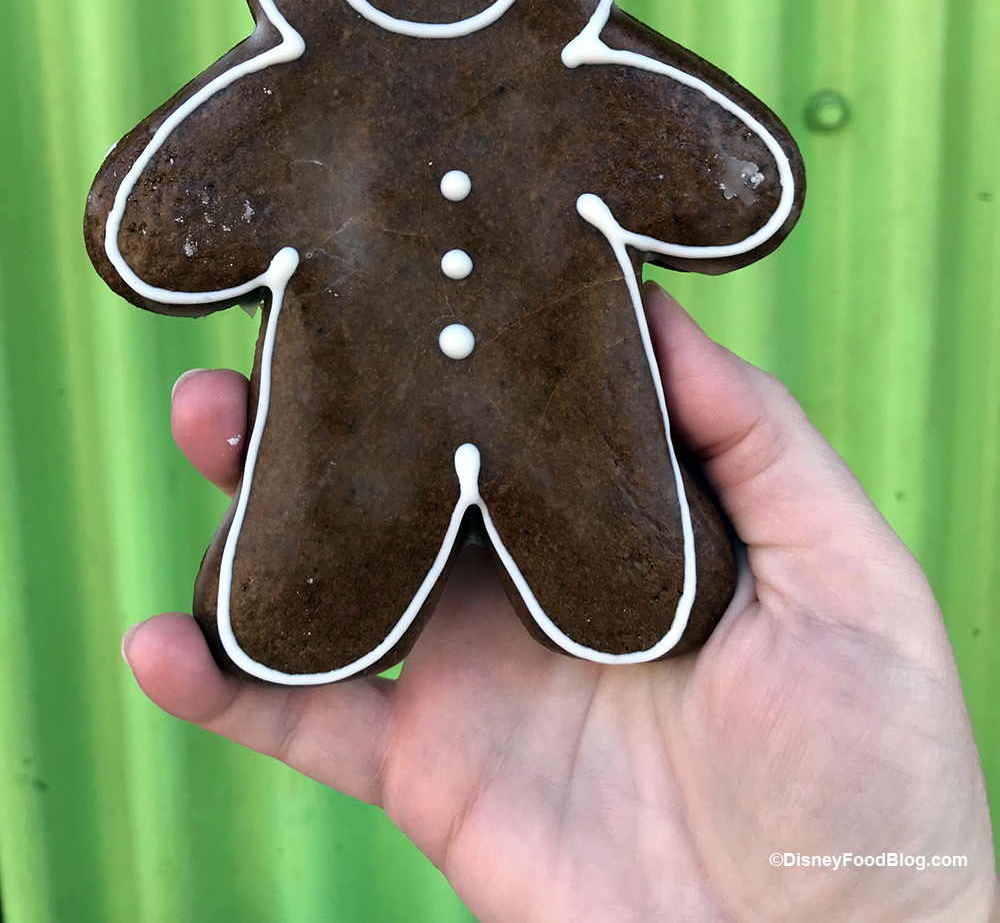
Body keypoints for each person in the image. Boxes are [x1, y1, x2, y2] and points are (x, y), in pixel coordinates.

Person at [121, 284, 998, 922]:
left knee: (638, 578)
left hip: (571, 423)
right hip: (356, 433)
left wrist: (883, 899)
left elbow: (737, 181)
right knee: (290, 596)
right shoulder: (298, 109)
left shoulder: (584, 93)